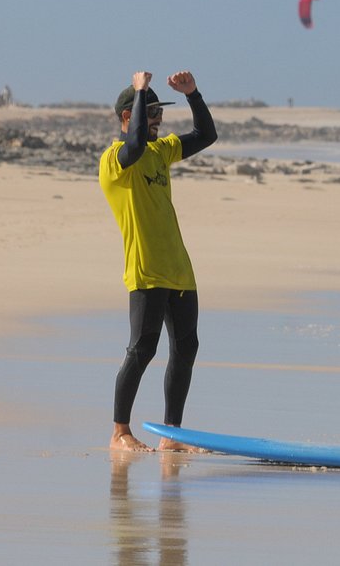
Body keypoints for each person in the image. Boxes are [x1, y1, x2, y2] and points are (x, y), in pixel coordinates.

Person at [99, 71, 218, 451]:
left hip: (179, 270)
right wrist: (138, 93)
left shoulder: (162, 151)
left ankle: (172, 435)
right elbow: (131, 145)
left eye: (158, 114)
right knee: (142, 350)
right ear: (127, 116)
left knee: (186, 348)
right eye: (149, 113)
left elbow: (206, 135)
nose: (157, 120)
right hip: (146, 271)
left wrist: (193, 94)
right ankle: (120, 432)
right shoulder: (114, 162)